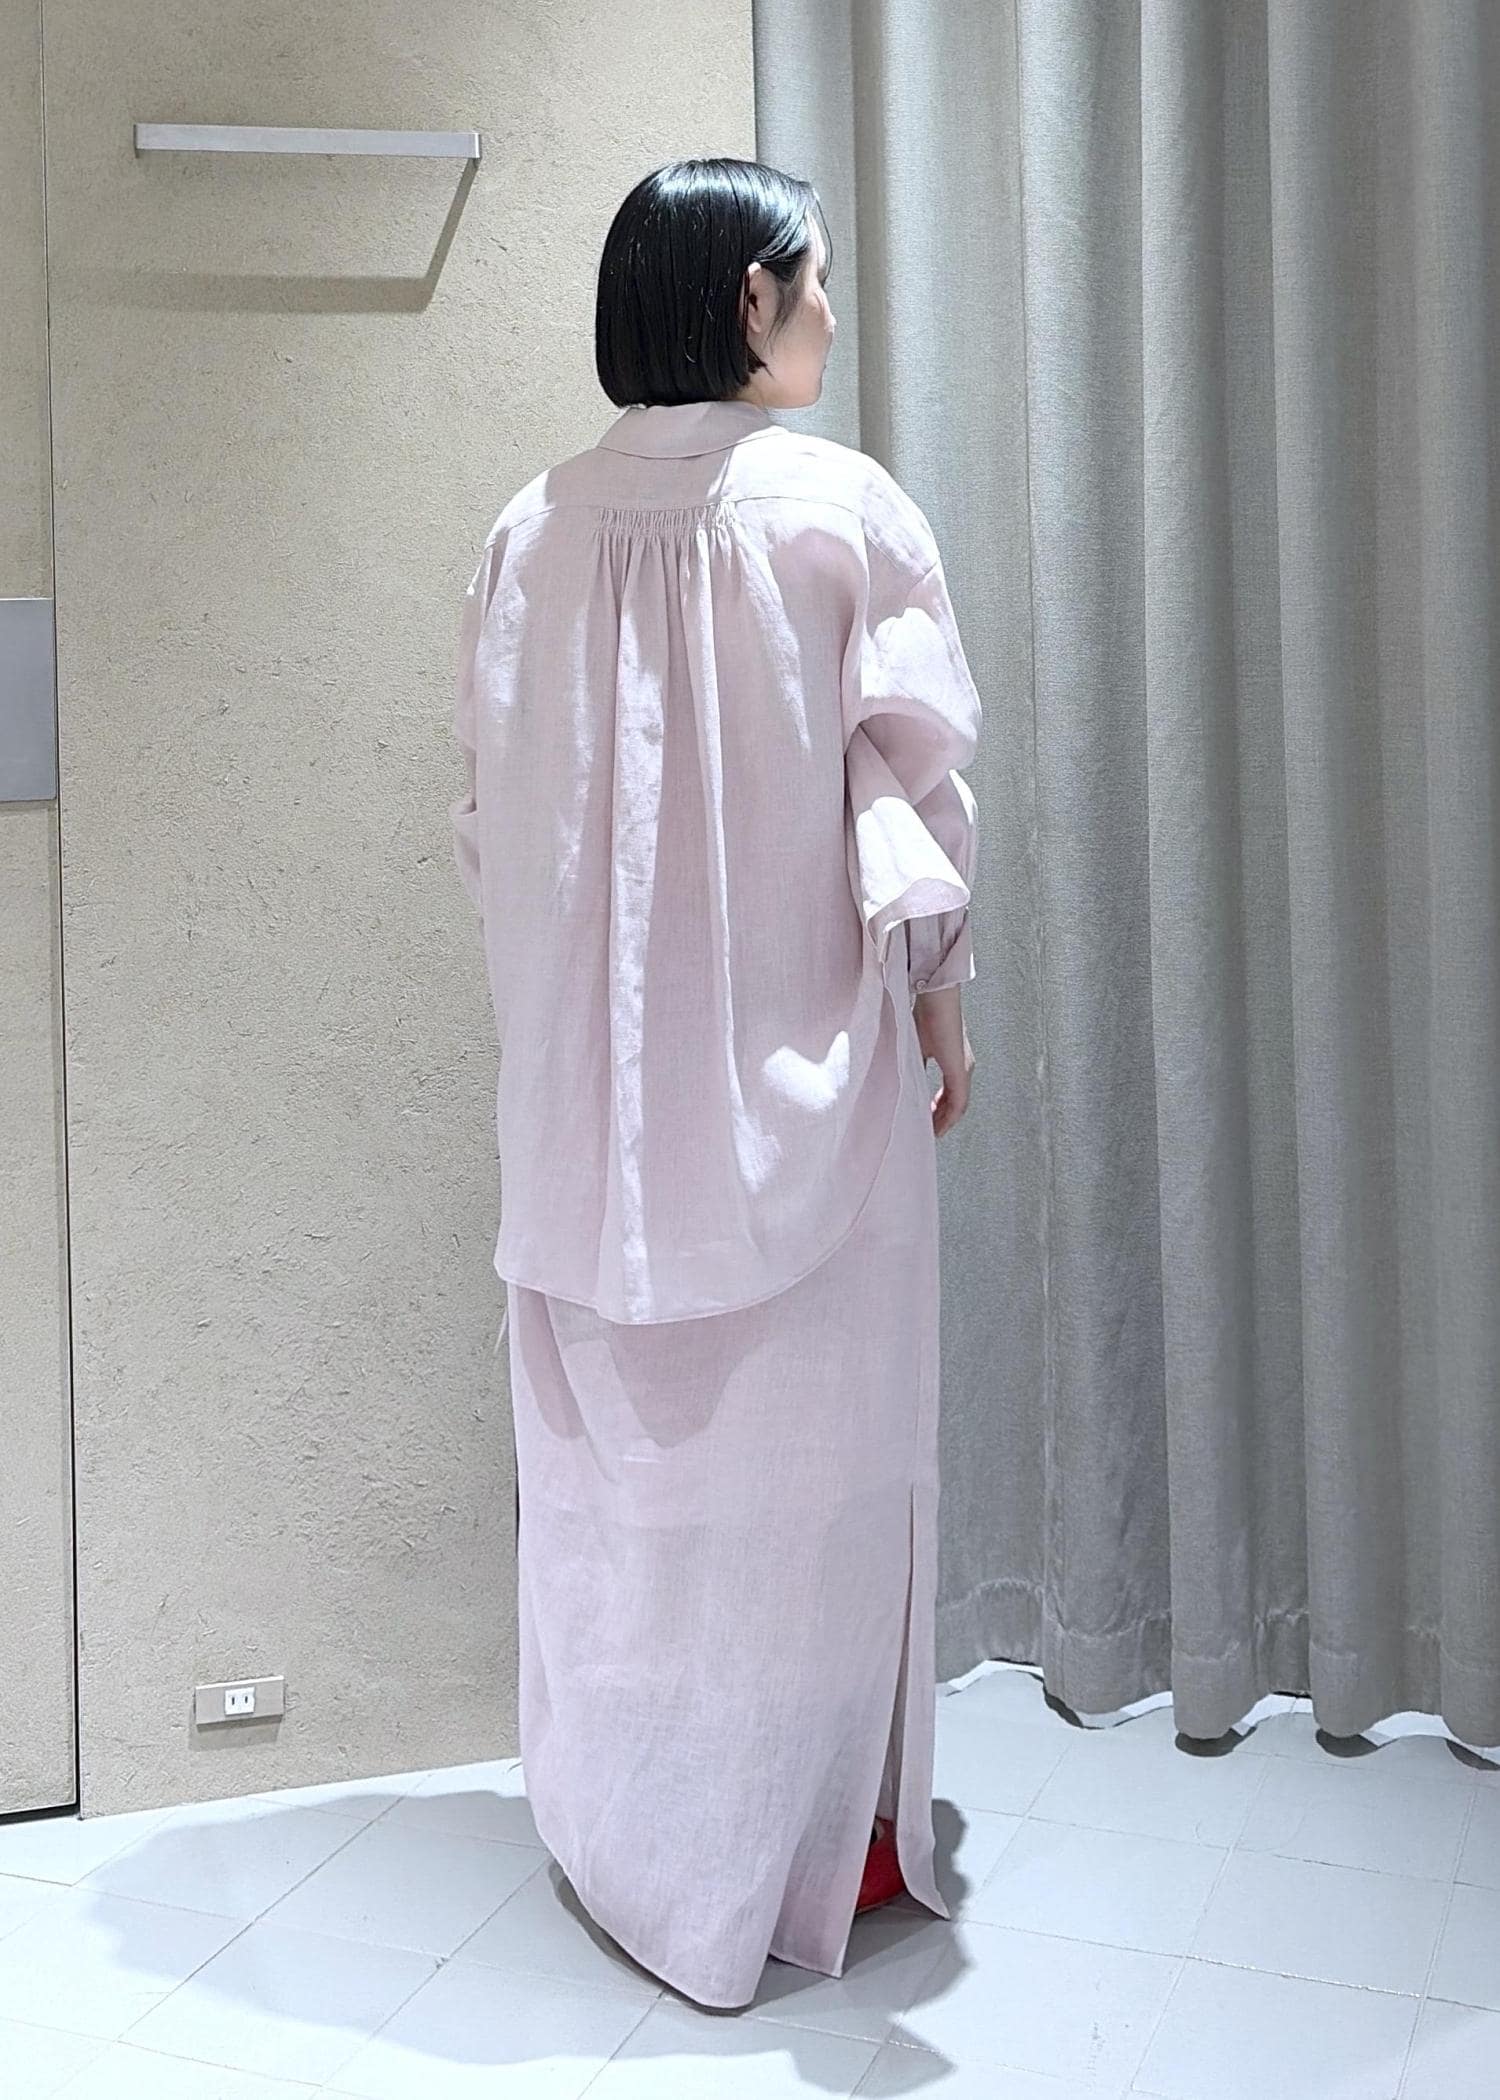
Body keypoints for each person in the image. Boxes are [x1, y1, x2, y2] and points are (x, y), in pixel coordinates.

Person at [450, 156, 982, 2011]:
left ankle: (642, 1846)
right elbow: (914, 789)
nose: (830, 309)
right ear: (747, 303)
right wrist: (943, 1003)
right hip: (808, 1096)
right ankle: (814, 1848)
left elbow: (491, 820)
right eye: (810, 279)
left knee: (615, 1490)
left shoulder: (526, 531)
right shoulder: (842, 512)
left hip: (582, 1121)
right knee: (818, 1480)